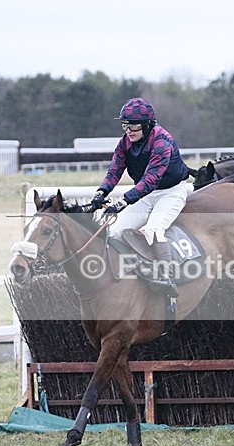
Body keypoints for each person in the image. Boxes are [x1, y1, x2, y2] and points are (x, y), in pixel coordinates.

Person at [88, 97, 189, 297]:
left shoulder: (162, 141)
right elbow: (114, 171)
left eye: (133, 126)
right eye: (125, 125)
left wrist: (123, 201)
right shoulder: (125, 142)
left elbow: (151, 179)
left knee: (153, 229)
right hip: (146, 194)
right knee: (115, 231)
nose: (128, 131)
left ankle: (166, 277)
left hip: (171, 192)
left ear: (147, 125)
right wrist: (101, 192)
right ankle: (133, 271)